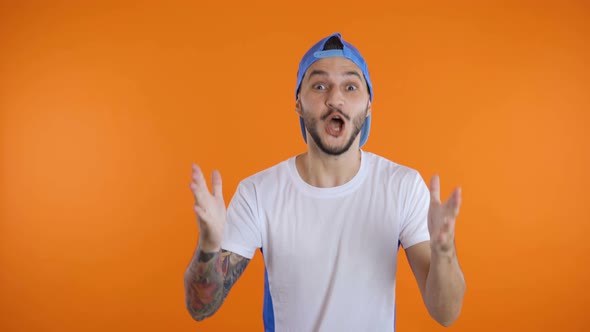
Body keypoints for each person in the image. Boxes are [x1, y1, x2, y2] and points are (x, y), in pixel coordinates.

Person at [184, 32, 466, 331]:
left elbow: (445, 313)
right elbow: (199, 308)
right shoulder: (258, 192)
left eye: (350, 86)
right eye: (319, 86)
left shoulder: (402, 187)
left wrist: (444, 252)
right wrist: (209, 246)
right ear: (298, 103)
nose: (335, 98)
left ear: (369, 104)